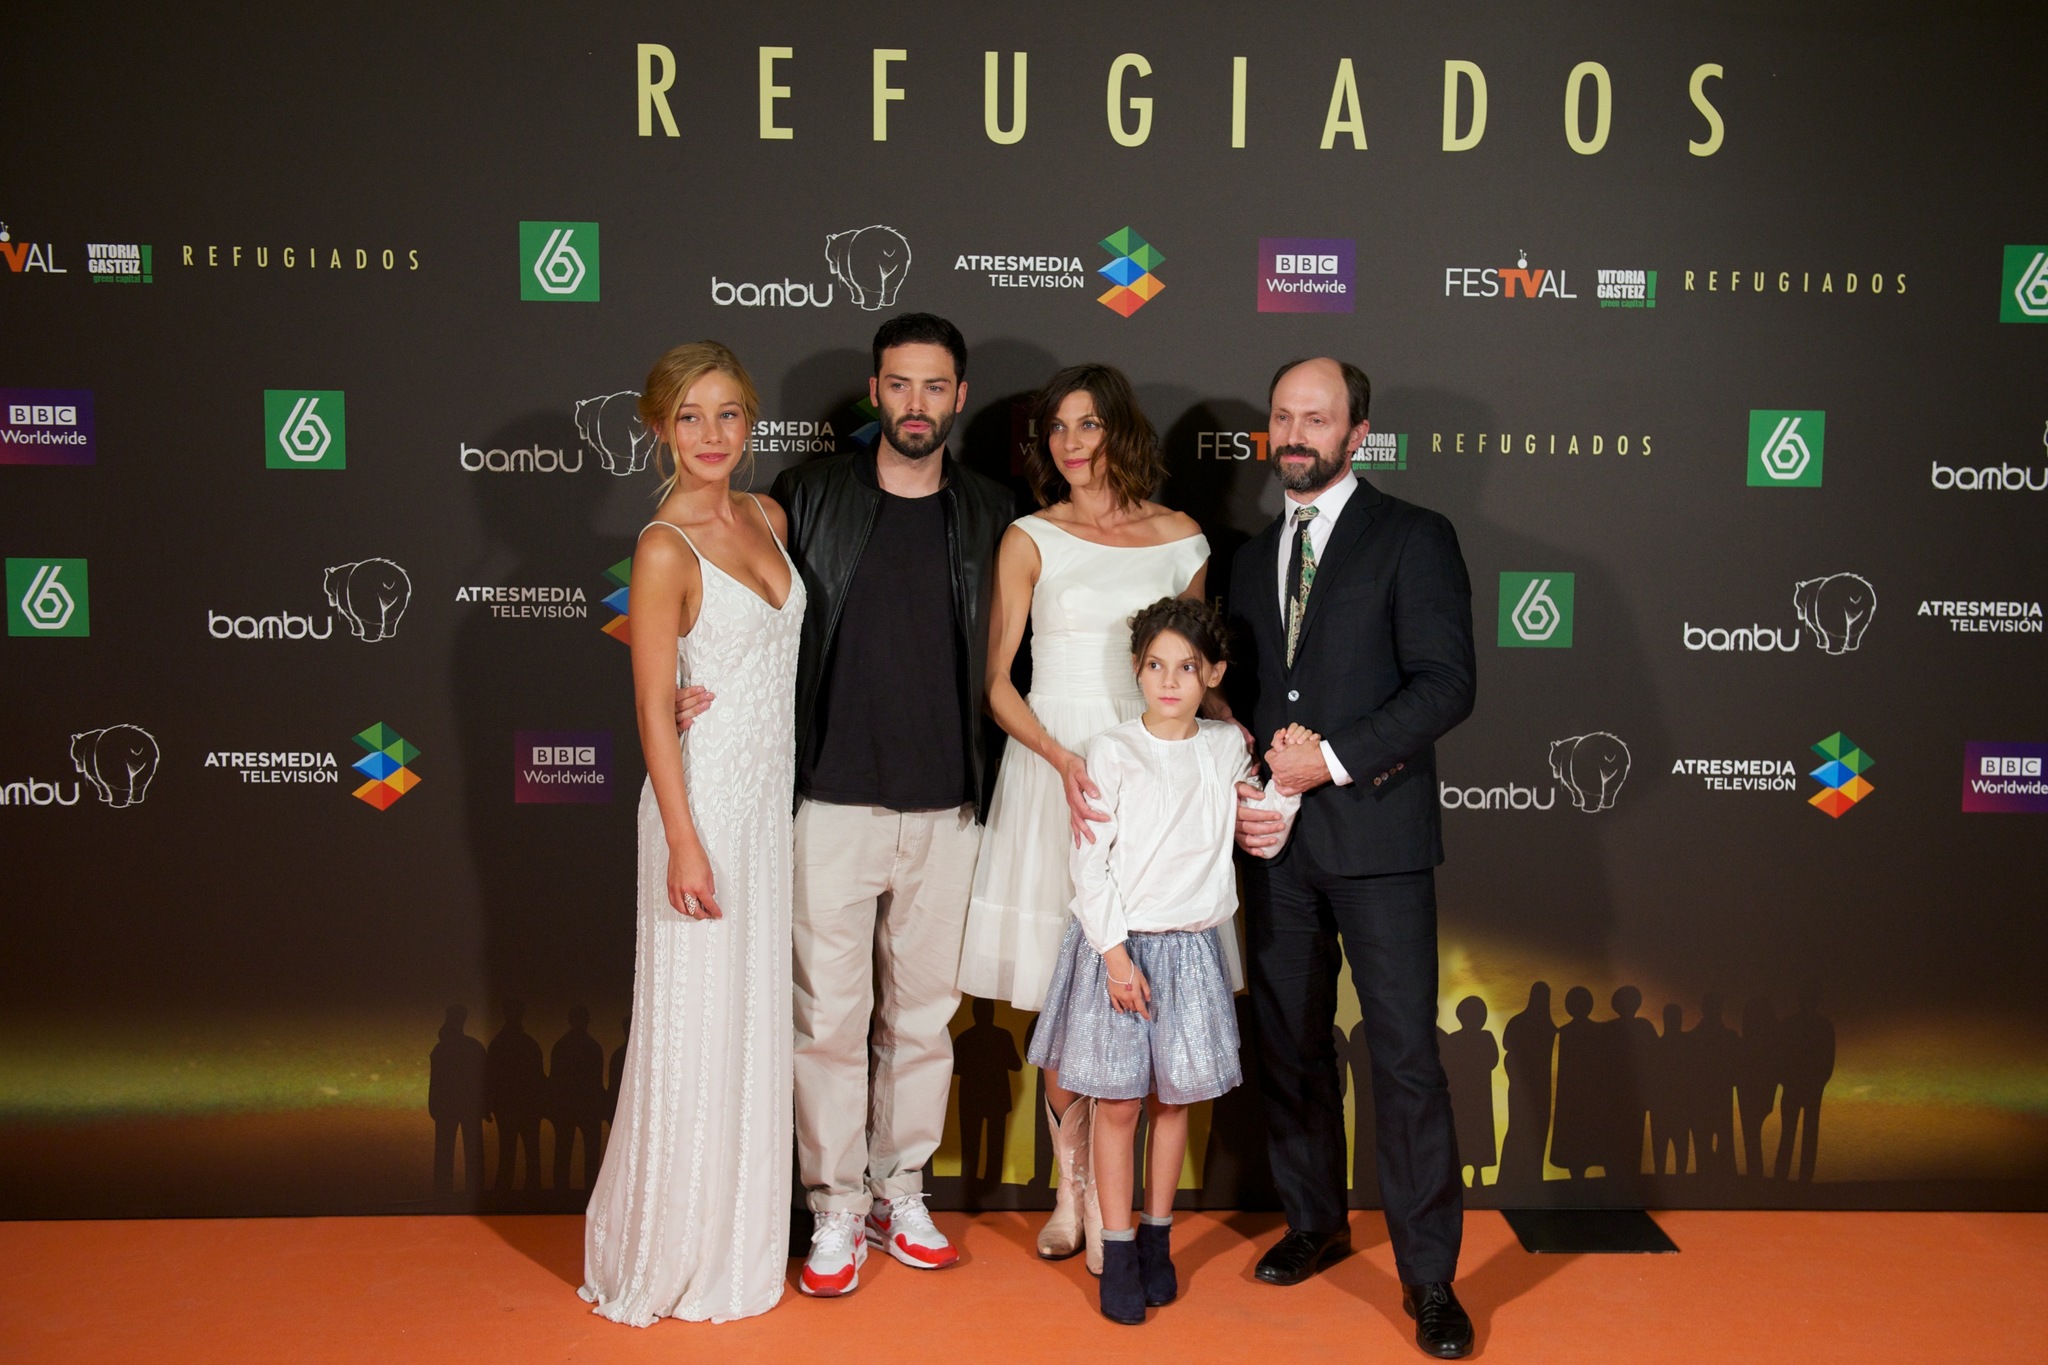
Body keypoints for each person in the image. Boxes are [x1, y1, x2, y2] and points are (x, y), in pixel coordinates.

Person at [1228, 357, 1478, 1360]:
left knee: (1404, 1059)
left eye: (1316, 418)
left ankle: (1429, 1280)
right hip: (1273, 848)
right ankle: (1314, 1222)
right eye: (1281, 415)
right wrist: (1257, 784)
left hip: (1375, 839)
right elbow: (1238, 699)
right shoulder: (1247, 557)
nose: (1294, 433)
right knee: (1288, 1046)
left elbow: (1444, 686)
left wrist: (1323, 763)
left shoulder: (1414, 538)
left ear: (1357, 433)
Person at [768, 313, 1015, 1296]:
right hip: (827, 803)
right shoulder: (809, 496)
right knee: (827, 1018)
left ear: (960, 396)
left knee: (920, 1019)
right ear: (875, 392)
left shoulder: (994, 511)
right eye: (898, 385)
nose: (916, 404)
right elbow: (755, 620)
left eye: (935, 386)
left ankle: (899, 1189)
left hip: (947, 807)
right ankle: (833, 1211)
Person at [955, 362, 1211, 1268]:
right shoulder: (1030, 536)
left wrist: (1230, 746)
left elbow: (1197, 673)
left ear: (1120, 432)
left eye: (1088, 423)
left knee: (1146, 984)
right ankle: (1071, 1197)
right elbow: (996, 684)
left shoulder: (1183, 541)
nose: (1070, 441)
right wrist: (1065, 760)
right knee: (1067, 991)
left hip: (1155, 780)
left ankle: (1128, 1207)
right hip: (1059, 769)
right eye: (1056, 427)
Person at [579, 341, 805, 1326]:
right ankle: (673, 1247)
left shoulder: (768, 516)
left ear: (748, 422)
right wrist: (679, 837)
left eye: (727, 415)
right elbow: (649, 704)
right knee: (695, 1025)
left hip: (766, 813)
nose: (711, 436)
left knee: (751, 1019)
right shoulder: (661, 545)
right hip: (700, 809)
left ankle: (740, 1235)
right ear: (658, 429)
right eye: (689, 417)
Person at [1027, 596, 1304, 1324]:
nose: (1170, 680)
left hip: (1192, 948)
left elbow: (1260, 828)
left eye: (1187, 667)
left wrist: (1290, 780)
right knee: (1117, 1103)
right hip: (1120, 948)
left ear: (1212, 672)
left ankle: (1157, 1240)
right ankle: (1116, 1251)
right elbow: (1091, 865)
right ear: (1137, 669)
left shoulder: (1224, 747)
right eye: (1155, 665)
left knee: (1172, 1102)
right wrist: (1116, 958)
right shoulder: (1111, 749)